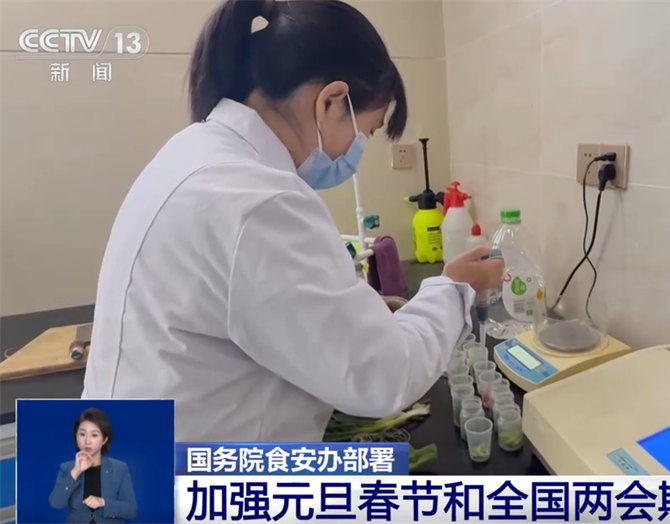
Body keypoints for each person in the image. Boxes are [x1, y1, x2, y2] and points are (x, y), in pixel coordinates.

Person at [80, 0, 504, 442]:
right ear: (332, 101)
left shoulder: (194, 154)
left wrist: (351, 314)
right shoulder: (259, 201)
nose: (356, 151)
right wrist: (453, 288)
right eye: (366, 131)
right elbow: (383, 375)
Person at [48, 408, 137, 523]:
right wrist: (76, 471)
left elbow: (131, 510)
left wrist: (103, 502)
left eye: (94, 435)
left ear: (104, 440)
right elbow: (56, 503)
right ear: (76, 436)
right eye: (82, 434)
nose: (87, 441)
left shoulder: (119, 468)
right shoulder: (67, 468)